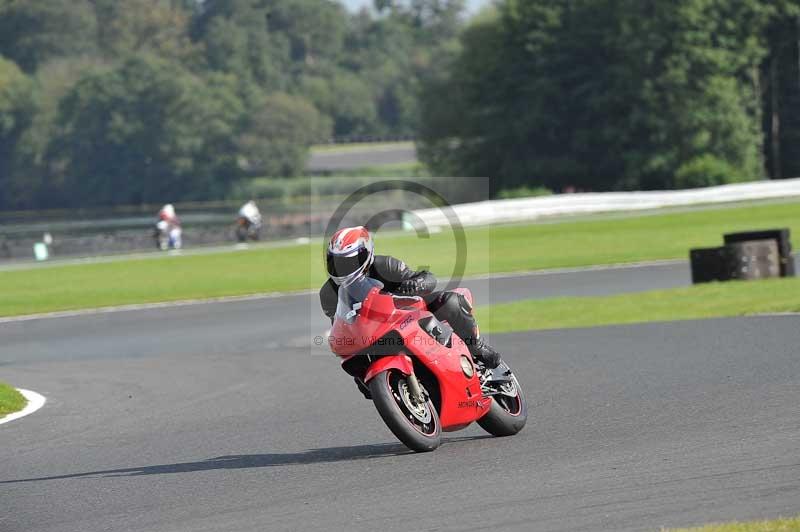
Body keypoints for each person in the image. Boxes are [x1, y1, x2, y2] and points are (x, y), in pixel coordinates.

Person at [319, 226, 501, 369]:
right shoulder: (328, 294)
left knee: (451, 301)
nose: (343, 268)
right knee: (351, 356)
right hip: (372, 333)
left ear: (366, 255)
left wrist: (416, 284)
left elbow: (426, 277)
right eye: (336, 263)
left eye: (349, 262)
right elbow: (339, 325)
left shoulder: (386, 266)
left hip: (408, 314)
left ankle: (477, 348)